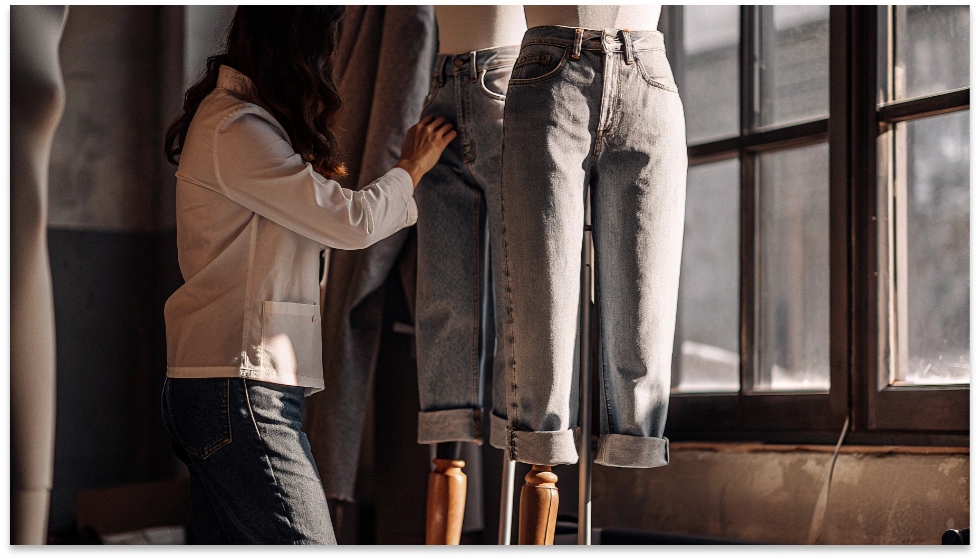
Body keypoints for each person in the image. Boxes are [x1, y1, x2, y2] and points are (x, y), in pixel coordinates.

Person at [160, 6, 455, 544]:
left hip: (232, 382)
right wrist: (411, 166)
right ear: (299, 49)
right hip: (241, 385)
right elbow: (351, 221)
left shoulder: (247, 123)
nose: (332, 61)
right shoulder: (235, 127)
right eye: (328, 45)